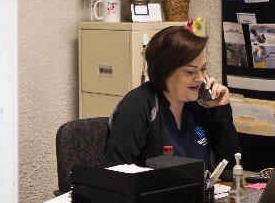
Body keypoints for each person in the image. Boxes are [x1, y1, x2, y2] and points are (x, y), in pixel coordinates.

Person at [103, 26, 240, 172]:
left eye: (203, 69)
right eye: (190, 71)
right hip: (152, 193)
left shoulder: (199, 105)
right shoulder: (137, 105)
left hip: (199, 193)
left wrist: (220, 109)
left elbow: (230, 168)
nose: (200, 78)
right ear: (165, 71)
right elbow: (116, 173)